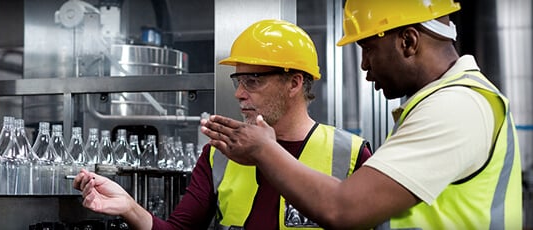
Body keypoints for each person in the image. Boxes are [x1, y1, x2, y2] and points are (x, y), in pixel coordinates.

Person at [200, 0, 523, 229]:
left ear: (408, 41)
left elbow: (343, 209)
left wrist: (263, 149)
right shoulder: (443, 103)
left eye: (368, 49)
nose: (365, 67)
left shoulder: (457, 107)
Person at [73, 19, 373, 229]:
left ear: (294, 83)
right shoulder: (219, 155)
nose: (239, 93)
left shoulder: (350, 154)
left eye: (253, 81)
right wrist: (129, 207)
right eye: (238, 81)